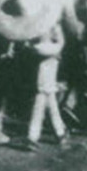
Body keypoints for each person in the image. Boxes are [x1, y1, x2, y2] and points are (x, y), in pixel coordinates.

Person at [23, 23, 69, 151]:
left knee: (43, 103)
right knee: (47, 102)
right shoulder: (45, 26)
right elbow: (59, 45)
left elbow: (57, 45)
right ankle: (58, 132)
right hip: (44, 69)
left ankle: (34, 136)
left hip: (47, 69)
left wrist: (31, 46)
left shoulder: (48, 26)